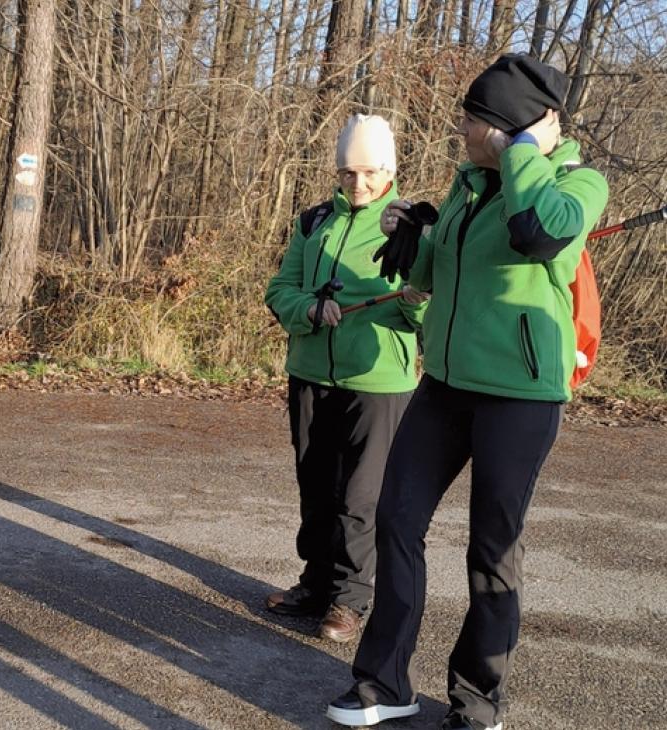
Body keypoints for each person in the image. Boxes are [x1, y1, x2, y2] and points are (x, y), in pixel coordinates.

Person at [325, 55, 608, 730]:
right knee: (396, 519)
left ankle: (478, 700)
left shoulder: (579, 184)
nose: (460, 128)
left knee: (490, 551)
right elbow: (442, 276)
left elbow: (536, 235)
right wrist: (416, 235)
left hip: (519, 398)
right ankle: (384, 683)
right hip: (445, 387)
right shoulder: (470, 183)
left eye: (473, 118)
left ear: (509, 128)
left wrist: (525, 154)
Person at [264, 115, 426, 643]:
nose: (358, 185)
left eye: (369, 173)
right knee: (316, 486)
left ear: (390, 170)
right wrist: (309, 309)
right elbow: (280, 289)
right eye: (347, 173)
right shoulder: (313, 222)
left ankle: (350, 600)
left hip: (378, 383)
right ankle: (315, 582)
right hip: (311, 372)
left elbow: (429, 312)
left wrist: (418, 298)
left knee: (361, 497)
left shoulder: (413, 226)